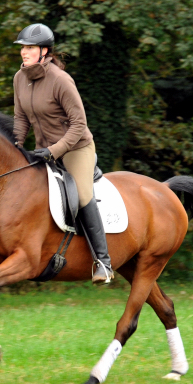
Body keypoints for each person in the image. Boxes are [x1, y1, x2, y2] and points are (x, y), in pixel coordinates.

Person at [12, 23, 113, 285]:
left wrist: (54, 150)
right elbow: (20, 117)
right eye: (23, 48)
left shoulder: (60, 80)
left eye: (30, 48)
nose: (24, 52)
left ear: (44, 51)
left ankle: (103, 261)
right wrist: (17, 144)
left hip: (75, 148)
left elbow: (79, 124)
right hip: (44, 150)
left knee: (80, 196)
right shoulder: (19, 79)